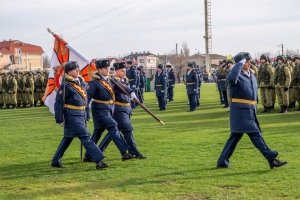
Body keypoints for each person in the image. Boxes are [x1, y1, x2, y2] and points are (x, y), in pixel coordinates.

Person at [216, 52, 287, 169]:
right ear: (240, 63)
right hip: (240, 111)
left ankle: (222, 161)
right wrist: (239, 64)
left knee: (234, 137)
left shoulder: (251, 75)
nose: (249, 63)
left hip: (250, 110)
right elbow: (231, 78)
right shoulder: (235, 75)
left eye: (249, 61)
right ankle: (270, 156)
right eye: (246, 62)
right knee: (255, 134)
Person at [51, 61, 108, 170]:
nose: (77, 71)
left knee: (68, 138)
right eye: (74, 69)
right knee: (85, 136)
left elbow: (85, 101)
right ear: (68, 72)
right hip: (71, 115)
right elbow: (59, 103)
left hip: (80, 115)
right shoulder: (65, 85)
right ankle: (98, 159)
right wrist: (59, 118)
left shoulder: (81, 83)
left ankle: (56, 160)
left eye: (78, 69)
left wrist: (86, 114)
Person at [84, 59, 133, 161]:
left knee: (98, 132)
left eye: (108, 68)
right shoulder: (94, 83)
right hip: (99, 110)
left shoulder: (110, 80)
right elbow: (87, 98)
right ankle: (124, 152)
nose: (107, 70)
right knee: (114, 126)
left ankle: (88, 155)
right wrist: (84, 111)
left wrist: (131, 92)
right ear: (99, 70)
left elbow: (122, 87)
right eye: (105, 68)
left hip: (109, 109)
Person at [98, 62, 146, 159]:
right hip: (119, 109)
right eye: (122, 71)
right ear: (116, 71)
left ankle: (98, 150)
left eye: (125, 71)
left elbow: (128, 93)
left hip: (126, 109)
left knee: (114, 132)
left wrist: (132, 104)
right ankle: (134, 151)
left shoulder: (124, 80)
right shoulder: (114, 81)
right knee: (127, 130)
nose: (124, 72)